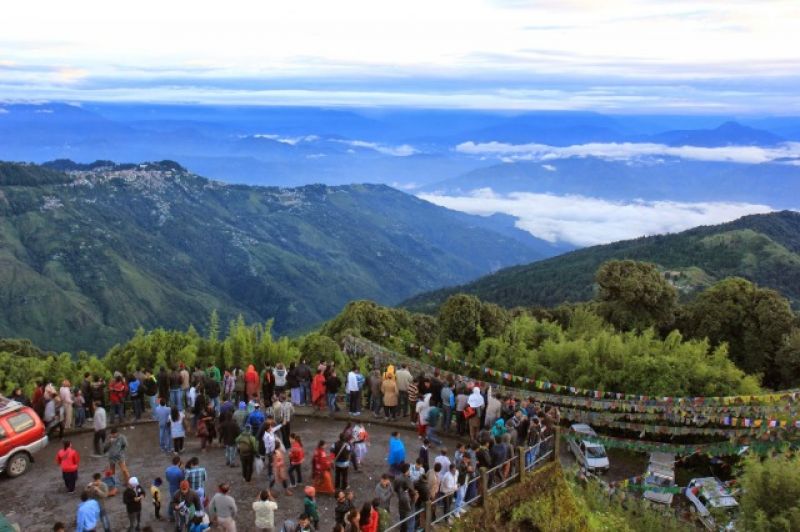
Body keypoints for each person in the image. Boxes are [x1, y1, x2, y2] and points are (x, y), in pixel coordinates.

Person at [393, 464, 417, 532]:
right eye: (409, 470)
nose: (409, 471)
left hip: (400, 498)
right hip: (408, 501)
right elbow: (412, 491)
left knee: (402, 516)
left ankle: (402, 528)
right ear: (406, 471)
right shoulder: (408, 480)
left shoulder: (397, 478)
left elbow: (395, 488)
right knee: (408, 518)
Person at [165, 456, 185, 521]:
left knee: (172, 500)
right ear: (179, 462)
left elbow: (167, 479)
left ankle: (170, 515)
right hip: (178, 487)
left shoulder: (167, 469)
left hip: (171, 486)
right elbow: (182, 481)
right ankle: (179, 515)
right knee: (180, 501)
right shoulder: (179, 471)